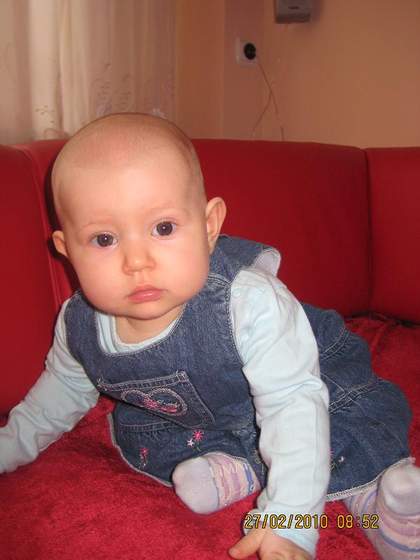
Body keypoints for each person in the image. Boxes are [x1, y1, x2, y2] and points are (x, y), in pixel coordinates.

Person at [0, 113, 419, 560]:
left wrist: (289, 520)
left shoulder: (249, 302)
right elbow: (60, 393)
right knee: (152, 436)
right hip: (198, 421)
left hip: (306, 385)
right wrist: (9, 447)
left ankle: (375, 504)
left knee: (342, 432)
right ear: (67, 250)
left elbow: (292, 405)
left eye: (163, 228)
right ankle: (241, 466)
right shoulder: (79, 323)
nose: (136, 261)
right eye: (104, 239)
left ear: (209, 226)